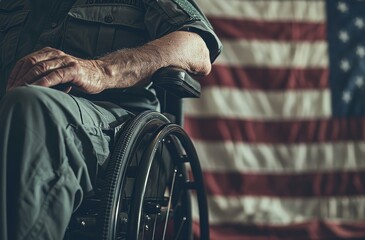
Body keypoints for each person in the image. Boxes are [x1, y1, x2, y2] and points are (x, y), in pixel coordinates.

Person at [0, 0, 222, 239]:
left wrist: (101, 70)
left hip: (117, 131)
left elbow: (198, 47)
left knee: (32, 107)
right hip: (13, 120)